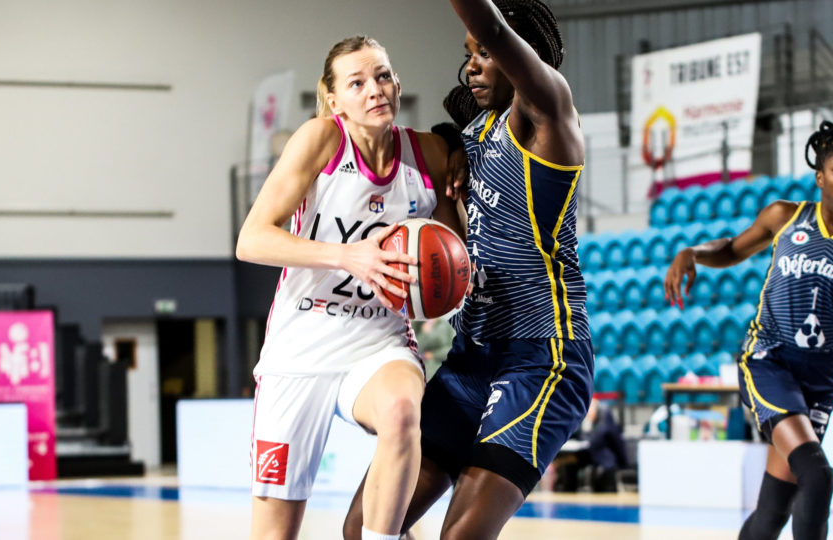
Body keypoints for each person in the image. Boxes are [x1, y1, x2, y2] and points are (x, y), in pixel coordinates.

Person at [344, 1, 593, 538]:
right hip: (470, 357)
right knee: (363, 528)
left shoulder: (549, 113)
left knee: (460, 536)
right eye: (468, 54)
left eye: (484, 53)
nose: (472, 65)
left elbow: (495, 27)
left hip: (541, 357)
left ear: (524, 54)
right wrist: (451, 146)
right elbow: (452, 234)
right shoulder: (474, 136)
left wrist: (491, 34)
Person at [235, 35, 465, 540]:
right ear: (334, 99)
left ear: (397, 83)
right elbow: (251, 240)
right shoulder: (320, 138)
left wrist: (460, 163)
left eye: (382, 76)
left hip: (378, 342)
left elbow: (456, 255)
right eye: (357, 83)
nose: (374, 89)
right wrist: (348, 255)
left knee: (402, 411)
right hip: (301, 345)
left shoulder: (428, 154)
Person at [665, 121, 833, 540]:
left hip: (819, 379)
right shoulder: (785, 216)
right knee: (817, 476)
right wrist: (692, 252)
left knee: (773, 512)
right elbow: (732, 248)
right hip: (769, 361)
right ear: (820, 178)